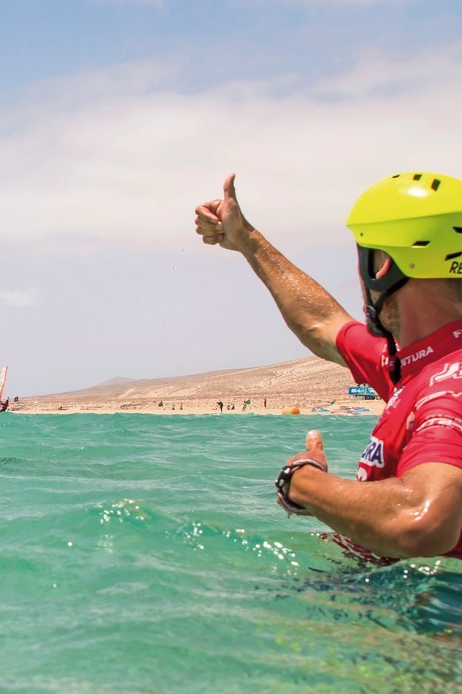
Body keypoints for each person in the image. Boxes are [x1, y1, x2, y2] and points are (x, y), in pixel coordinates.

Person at [195, 171, 462, 560]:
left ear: (382, 264)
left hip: (421, 615)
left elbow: (421, 522)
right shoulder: (417, 364)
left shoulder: (449, 382)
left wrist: (301, 482)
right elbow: (321, 325)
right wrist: (246, 240)